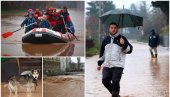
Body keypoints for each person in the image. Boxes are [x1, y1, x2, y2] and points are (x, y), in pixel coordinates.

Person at [97, 22, 133, 97]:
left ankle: (115, 95)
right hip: (107, 64)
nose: (113, 29)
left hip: (118, 65)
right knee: (105, 80)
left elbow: (129, 50)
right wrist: (99, 63)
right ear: (109, 29)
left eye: (115, 28)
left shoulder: (122, 38)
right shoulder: (106, 39)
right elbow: (102, 53)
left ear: (117, 29)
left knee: (115, 81)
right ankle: (116, 95)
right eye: (111, 28)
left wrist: (123, 44)